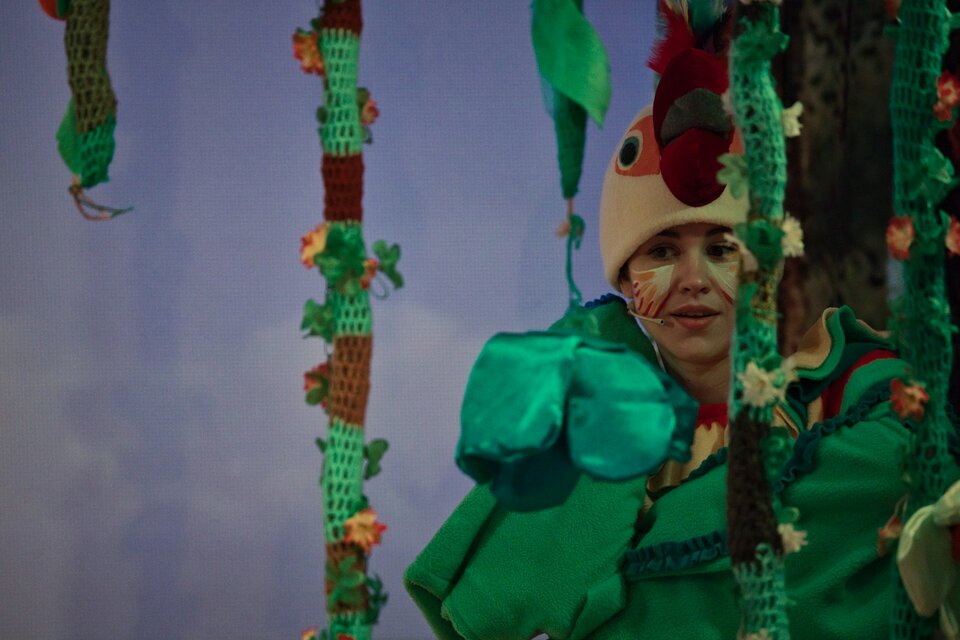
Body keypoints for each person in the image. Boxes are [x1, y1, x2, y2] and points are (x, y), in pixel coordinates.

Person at [404, 26, 954, 640]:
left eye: (722, 248)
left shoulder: (854, 387)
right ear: (623, 274)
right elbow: (508, 599)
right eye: (662, 250)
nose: (693, 280)